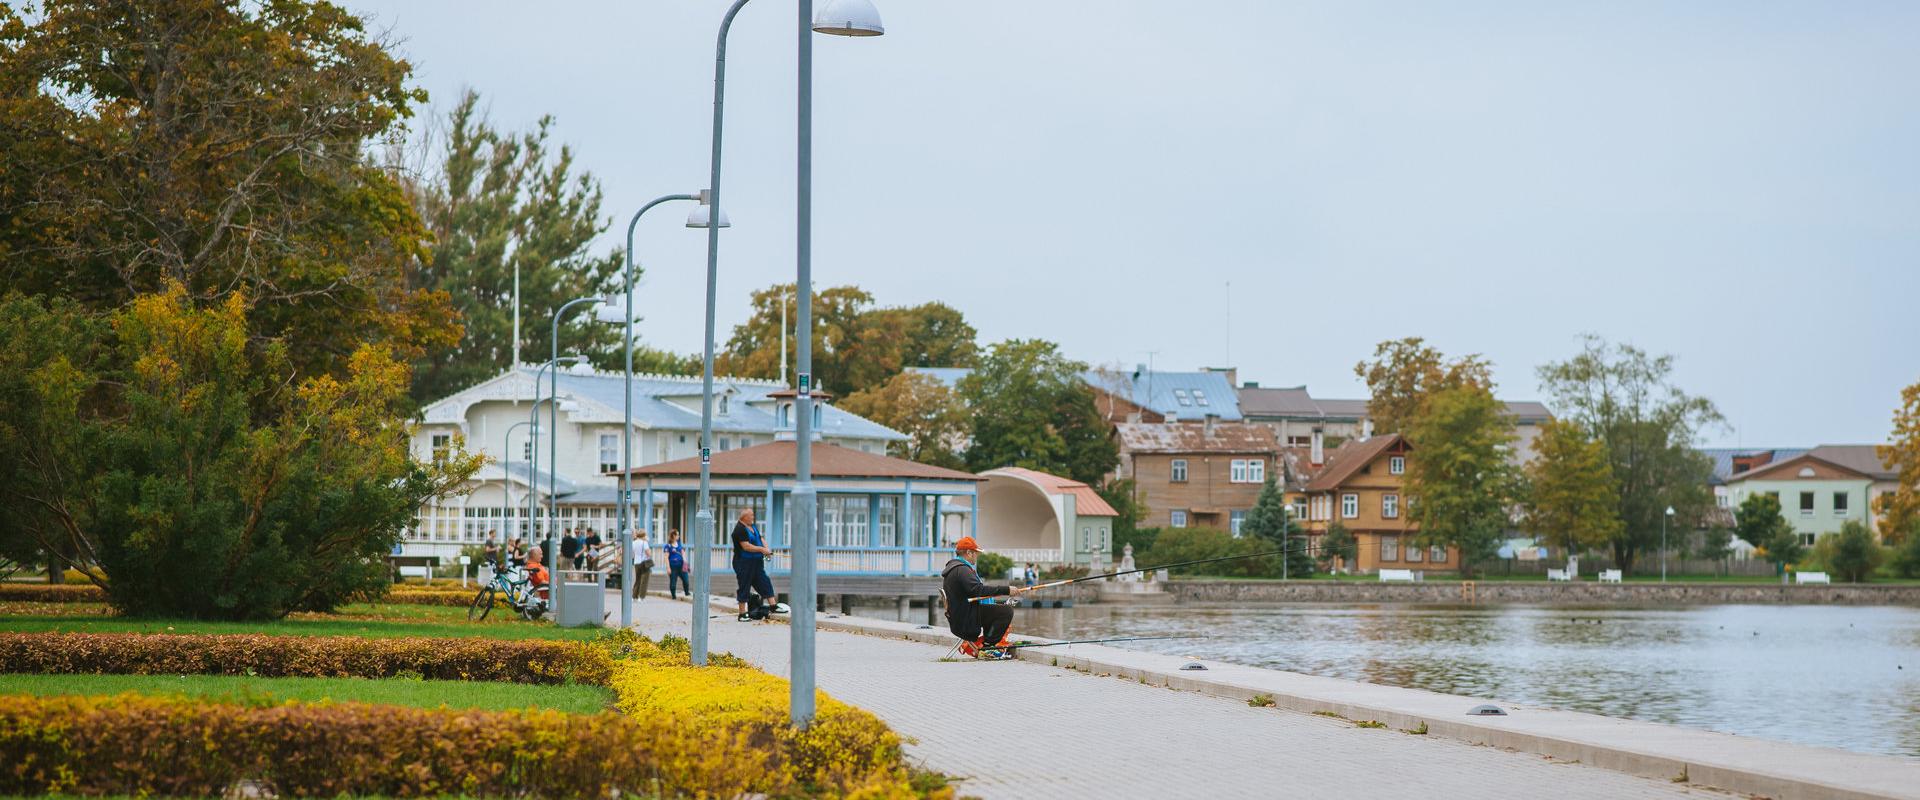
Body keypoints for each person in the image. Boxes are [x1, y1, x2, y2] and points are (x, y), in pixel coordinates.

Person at [942, 536, 1026, 658]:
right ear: (969, 553)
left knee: (994, 610)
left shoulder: (954, 568)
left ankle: (987, 645)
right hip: (965, 619)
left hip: (959, 616)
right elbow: (978, 590)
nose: (977, 556)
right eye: (976, 553)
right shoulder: (962, 570)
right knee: (1005, 611)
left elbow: (974, 591)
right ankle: (988, 647)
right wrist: (1006, 590)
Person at [730, 509, 781, 621]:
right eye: (751, 515)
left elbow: (760, 538)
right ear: (744, 517)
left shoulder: (752, 527)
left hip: (757, 562)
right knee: (745, 585)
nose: (753, 517)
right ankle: (742, 613)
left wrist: (766, 549)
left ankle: (773, 606)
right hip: (744, 563)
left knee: (764, 581)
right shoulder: (739, 529)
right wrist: (762, 550)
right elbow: (746, 546)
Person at [664, 529, 690, 600]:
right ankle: (673, 595)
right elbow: (666, 557)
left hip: (681, 565)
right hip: (673, 566)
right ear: (673, 536)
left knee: (686, 580)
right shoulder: (668, 546)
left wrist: (685, 560)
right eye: (677, 534)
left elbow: (682, 552)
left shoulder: (679, 544)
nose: (679, 536)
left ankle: (687, 592)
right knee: (673, 581)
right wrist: (668, 567)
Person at [630, 529, 654, 600]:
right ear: (643, 535)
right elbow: (649, 554)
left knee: (637, 580)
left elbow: (632, 554)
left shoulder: (633, 543)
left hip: (636, 563)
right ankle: (641, 596)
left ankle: (634, 596)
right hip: (644, 563)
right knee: (644, 580)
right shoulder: (644, 543)